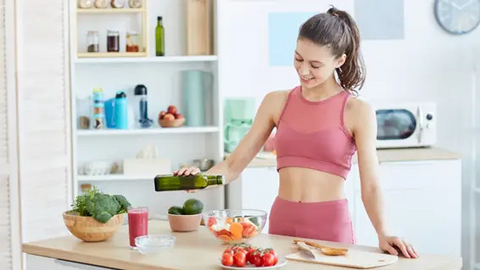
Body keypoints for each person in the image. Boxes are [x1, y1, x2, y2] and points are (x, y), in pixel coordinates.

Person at [174, 6, 418, 259]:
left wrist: (384, 232)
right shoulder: (276, 102)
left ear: (339, 60)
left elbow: (371, 185)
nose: (303, 70)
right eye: (298, 58)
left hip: (330, 229)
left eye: (315, 64)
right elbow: (233, 166)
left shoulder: (357, 111)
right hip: (282, 227)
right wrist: (200, 180)